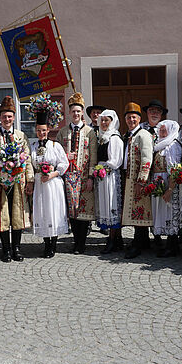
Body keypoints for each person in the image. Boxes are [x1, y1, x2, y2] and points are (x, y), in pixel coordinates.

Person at [0, 96, 34, 262]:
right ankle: (5, 250)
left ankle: (17, 249)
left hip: (18, 183)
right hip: (0, 184)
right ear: (0, 118)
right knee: (3, 215)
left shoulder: (21, 136)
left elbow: (26, 159)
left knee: (17, 215)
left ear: (14, 117)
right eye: (4, 116)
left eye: (10, 116)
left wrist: (30, 180)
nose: (7, 119)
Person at [57, 93, 97, 254]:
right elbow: (57, 155)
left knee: (84, 211)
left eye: (78, 112)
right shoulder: (63, 132)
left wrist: (91, 177)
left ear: (82, 113)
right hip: (68, 177)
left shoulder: (89, 132)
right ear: (69, 113)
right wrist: (66, 158)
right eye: (73, 111)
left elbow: (93, 155)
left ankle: (82, 242)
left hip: (84, 176)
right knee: (73, 211)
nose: (76, 114)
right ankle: (76, 241)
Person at [30, 111, 69, 257]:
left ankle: (53, 243)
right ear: (36, 130)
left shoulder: (55, 145)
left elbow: (64, 164)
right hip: (40, 183)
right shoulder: (33, 146)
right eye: (39, 130)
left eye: (44, 130)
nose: (41, 133)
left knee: (53, 210)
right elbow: (30, 164)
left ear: (48, 130)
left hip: (53, 183)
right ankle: (46, 242)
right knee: (43, 210)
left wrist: (52, 174)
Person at [122, 103, 154, 259]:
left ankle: (138, 244)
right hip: (128, 179)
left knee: (140, 212)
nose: (131, 120)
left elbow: (147, 159)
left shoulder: (143, 135)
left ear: (139, 119)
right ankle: (143, 241)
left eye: (134, 117)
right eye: (128, 117)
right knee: (135, 212)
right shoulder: (128, 135)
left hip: (138, 180)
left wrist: (141, 180)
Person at [151, 120, 182, 257]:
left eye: (164, 130)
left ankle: (172, 245)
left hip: (168, 181)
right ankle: (162, 243)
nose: (161, 132)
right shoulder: (159, 145)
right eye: (160, 130)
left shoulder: (173, 145)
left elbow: (174, 169)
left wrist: (170, 189)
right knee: (160, 212)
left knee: (171, 212)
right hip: (158, 180)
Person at [95, 109, 124, 254]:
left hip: (110, 176)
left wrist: (103, 167)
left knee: (112, 205)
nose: (104, 123)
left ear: (112, 122)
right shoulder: (102, 136)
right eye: (103, 120)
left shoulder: (114, 138)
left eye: (107, 120)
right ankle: (117, 240)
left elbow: (115, 161)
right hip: (102, 176)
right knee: (106, 205)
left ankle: (112, 240)